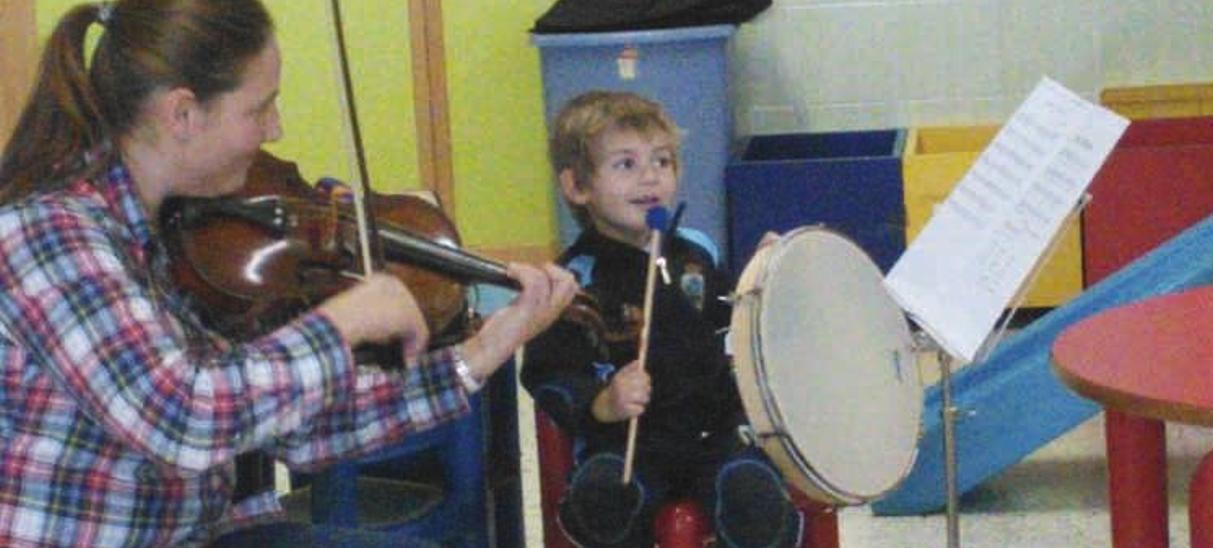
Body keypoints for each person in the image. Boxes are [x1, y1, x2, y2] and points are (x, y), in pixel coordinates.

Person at [0, 1, 576, 546]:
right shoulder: (47, 235)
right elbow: (183, 419)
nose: (274, 129)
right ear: (182, 114)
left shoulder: (179, 234)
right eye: (258, 107)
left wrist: (478, 354)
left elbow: (298, 431)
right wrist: (340, 323)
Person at [521, 90, 801, 548]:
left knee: (754, 495)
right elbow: (547, 373)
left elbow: (736, 325)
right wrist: (602, 402)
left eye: (663, 161)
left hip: (716, 432)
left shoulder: (697, 253)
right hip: (629, 444)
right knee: (605, 500)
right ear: (577, 187)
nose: (650, 176)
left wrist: (764, 280)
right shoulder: (574, 281)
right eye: (626, 164)